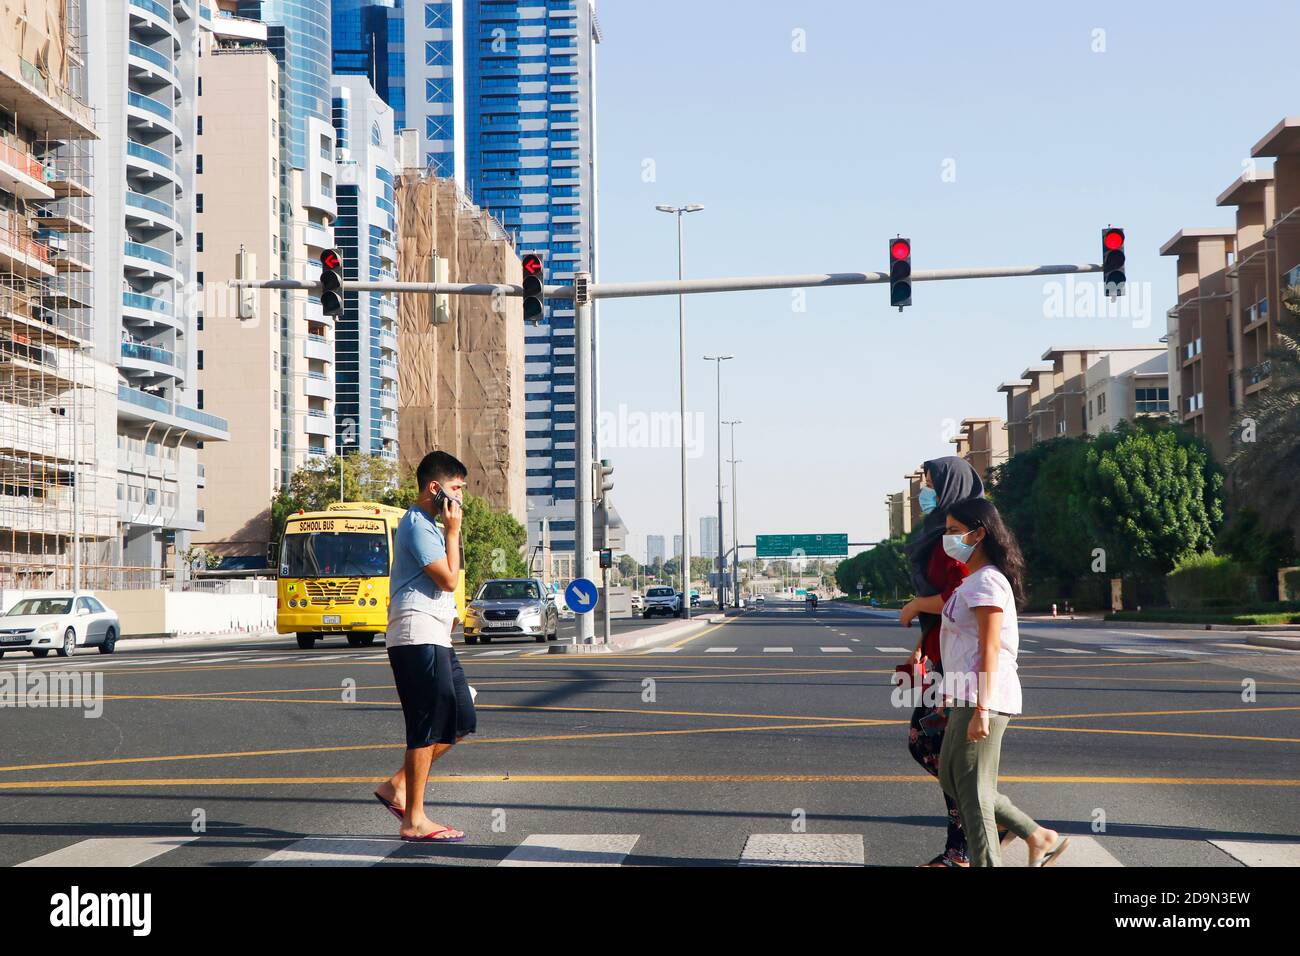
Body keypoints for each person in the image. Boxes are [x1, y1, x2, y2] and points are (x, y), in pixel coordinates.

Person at [936, 497, 1069, 867]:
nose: (947, 538)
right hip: (965, 693)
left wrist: (981, 707)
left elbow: (990, 647)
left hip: (984, 697)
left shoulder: (988, 582)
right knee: (952, 777)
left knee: (974, 792)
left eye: (953, 531)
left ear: (979, 533)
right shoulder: (975, 580)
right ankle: (1038, 835)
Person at [372, 450, 476, 842]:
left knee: (462, 719)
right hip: (416, 635)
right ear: (435, 488)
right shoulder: (417, 525)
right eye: (455, 489)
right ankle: (413, 819)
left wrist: (448, 530)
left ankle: (397, 785)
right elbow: (449, 580)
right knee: (425, 725)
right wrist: (454, 532)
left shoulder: (428, 525)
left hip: (436, 637)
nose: (459, 499)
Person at [898, 456, 983, 867]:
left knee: (937, 749)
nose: (923, 491)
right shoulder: (941, 530)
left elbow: (960, 595)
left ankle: (968, 843)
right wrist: (921, 643)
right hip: (939, 652)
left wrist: (916, 604)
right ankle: (985, 826)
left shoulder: (960, 538)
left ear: (951, 486)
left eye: (930, 483)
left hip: (956, 661)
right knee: (930, 746)